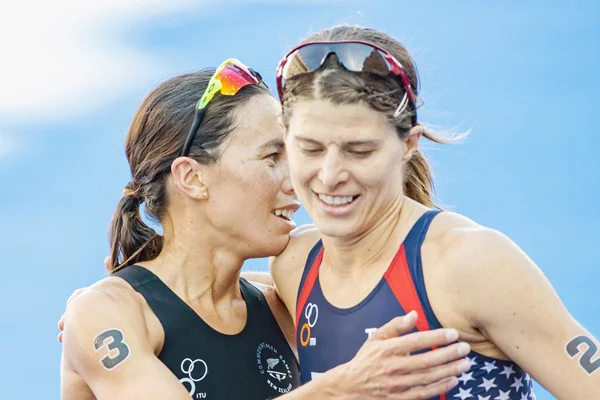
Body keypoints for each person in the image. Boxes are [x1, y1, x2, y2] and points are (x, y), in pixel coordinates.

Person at [59, 58, 473, 400]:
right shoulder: (106, 313)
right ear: (192, 178)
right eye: (272, 156)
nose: (298, 180)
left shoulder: (283, 304)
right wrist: (339, 388)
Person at [269, 25, 600, 399]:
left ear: (408, 143)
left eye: (359, 151)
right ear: (284, 137)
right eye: (310, 149)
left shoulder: (469, 264)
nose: (330, 176)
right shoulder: (294, 265)